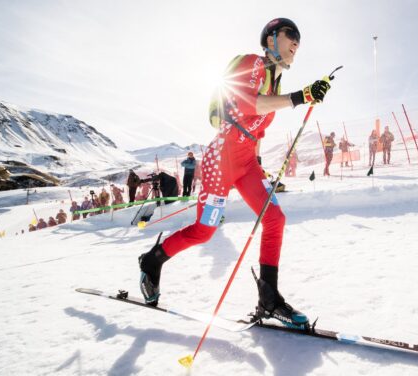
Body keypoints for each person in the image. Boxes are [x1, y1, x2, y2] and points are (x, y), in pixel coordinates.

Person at [138, 18, 331, 327]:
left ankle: (269, 299)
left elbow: (257, 129)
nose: (297, 42)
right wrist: (301, 97)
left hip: (246, 163)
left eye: (299, 39)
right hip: (222, 159)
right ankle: (153, 260)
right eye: (290, 35)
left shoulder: (275, 83)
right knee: (205, 231)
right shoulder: (252, 63)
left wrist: (261, 169)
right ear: (270, 39)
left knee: (274, 218)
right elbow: (249, 104)